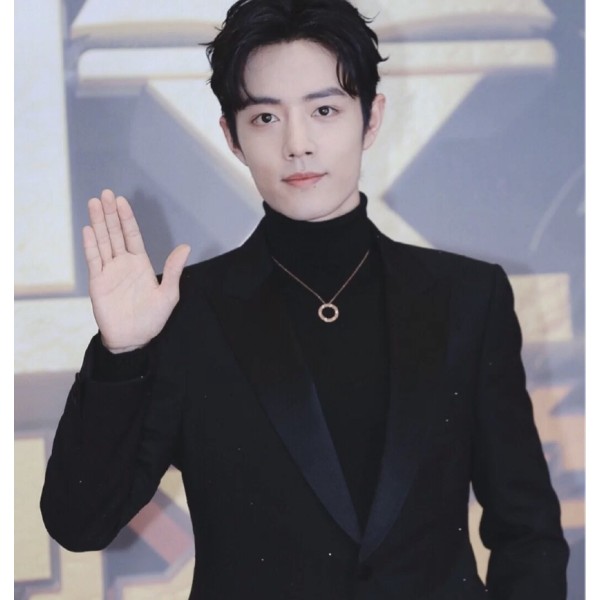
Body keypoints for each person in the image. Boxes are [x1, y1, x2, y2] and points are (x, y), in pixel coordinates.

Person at [40, 0, 569, 598]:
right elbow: (79, 523)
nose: (297, 144)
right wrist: (122, 354)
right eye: (266, 117)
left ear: (371, 119)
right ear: (232, 136)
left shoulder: (468, 299)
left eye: (324, 110)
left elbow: (527, 530)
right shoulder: (186, 313)